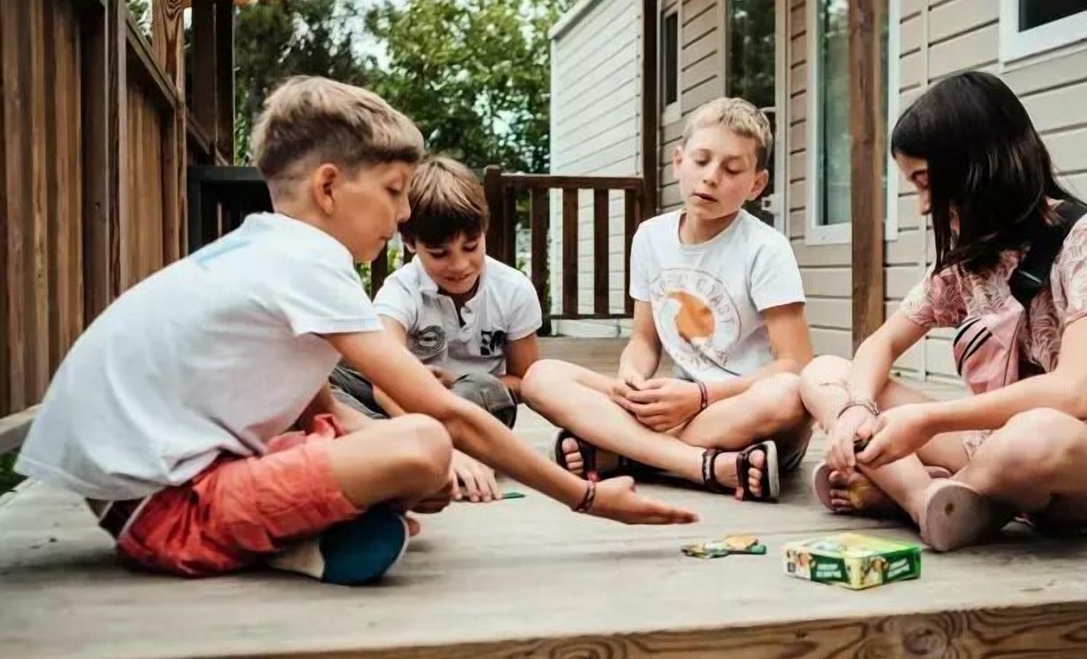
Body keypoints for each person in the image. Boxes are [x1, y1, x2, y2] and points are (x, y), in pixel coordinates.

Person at [15, 76, 696, 586]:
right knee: (424, 445)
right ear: (331, 187)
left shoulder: (266, 249)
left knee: (416, 467)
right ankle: (297, 547)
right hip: (168, 515)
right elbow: (441, 417)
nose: (403, 215)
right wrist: (584, 497)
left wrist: (412, 461)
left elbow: (327, 407)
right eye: (396, 190)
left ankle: (318, 534)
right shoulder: (310, 261)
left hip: (160, 490)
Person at [799, 71, 1087, 551]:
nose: (925, 206)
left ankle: (915, 489)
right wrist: (855, 409)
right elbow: (882, 343)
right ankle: (931, 499)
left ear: (977, 164)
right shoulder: (973, 255)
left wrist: (928, 421)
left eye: (926, 183)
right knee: (825, 372)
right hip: (984, 442)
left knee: (1039, 433)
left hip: (1084, 459)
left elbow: (1076, 393)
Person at [521, 97, 813, 502]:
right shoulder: (651, 237)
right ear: (678, 161)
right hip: (673, 402)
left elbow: (795, 364)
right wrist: (631, 379)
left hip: (742, 409)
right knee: (541, 377)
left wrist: (702, 396)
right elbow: (644, 340)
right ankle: (705, 466)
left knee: (787, 397)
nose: (711, 178)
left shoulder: (766, 248)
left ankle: (624, 453)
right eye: (701, 160)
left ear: (756, 185)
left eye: (731, 170)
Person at [329, 155, 543, 503]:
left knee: (484, 388)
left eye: (471, 247)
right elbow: (385, 381)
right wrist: (416, 391)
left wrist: (449, 389)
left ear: (484, 232)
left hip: (472, 407)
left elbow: (525, 379)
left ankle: (381, 450)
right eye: (440, 253)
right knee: (330, 374)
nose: (459, 265)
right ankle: (407, 449)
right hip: (399, 405)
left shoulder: (513, 289)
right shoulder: (400, 290)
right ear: (411, 244)